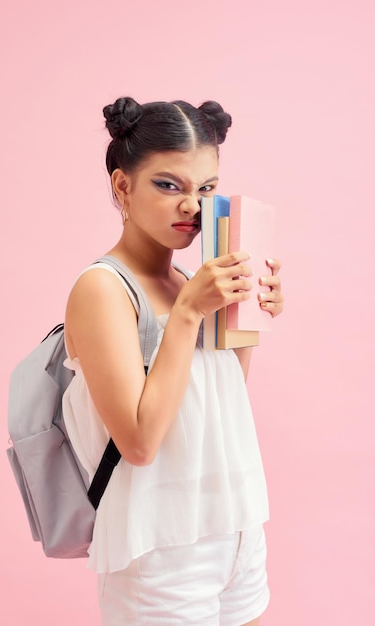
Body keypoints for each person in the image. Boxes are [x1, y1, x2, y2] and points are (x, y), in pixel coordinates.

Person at [62, 96, 284, 626]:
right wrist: (188, 314)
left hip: (236, 526)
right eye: (169, 185)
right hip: (160, 549)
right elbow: (140, 441)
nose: (192, 206)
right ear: (123, 186)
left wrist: (243, 315)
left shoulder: (188, 283)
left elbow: (214, 410)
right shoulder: (103, 289)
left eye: (205, 189)